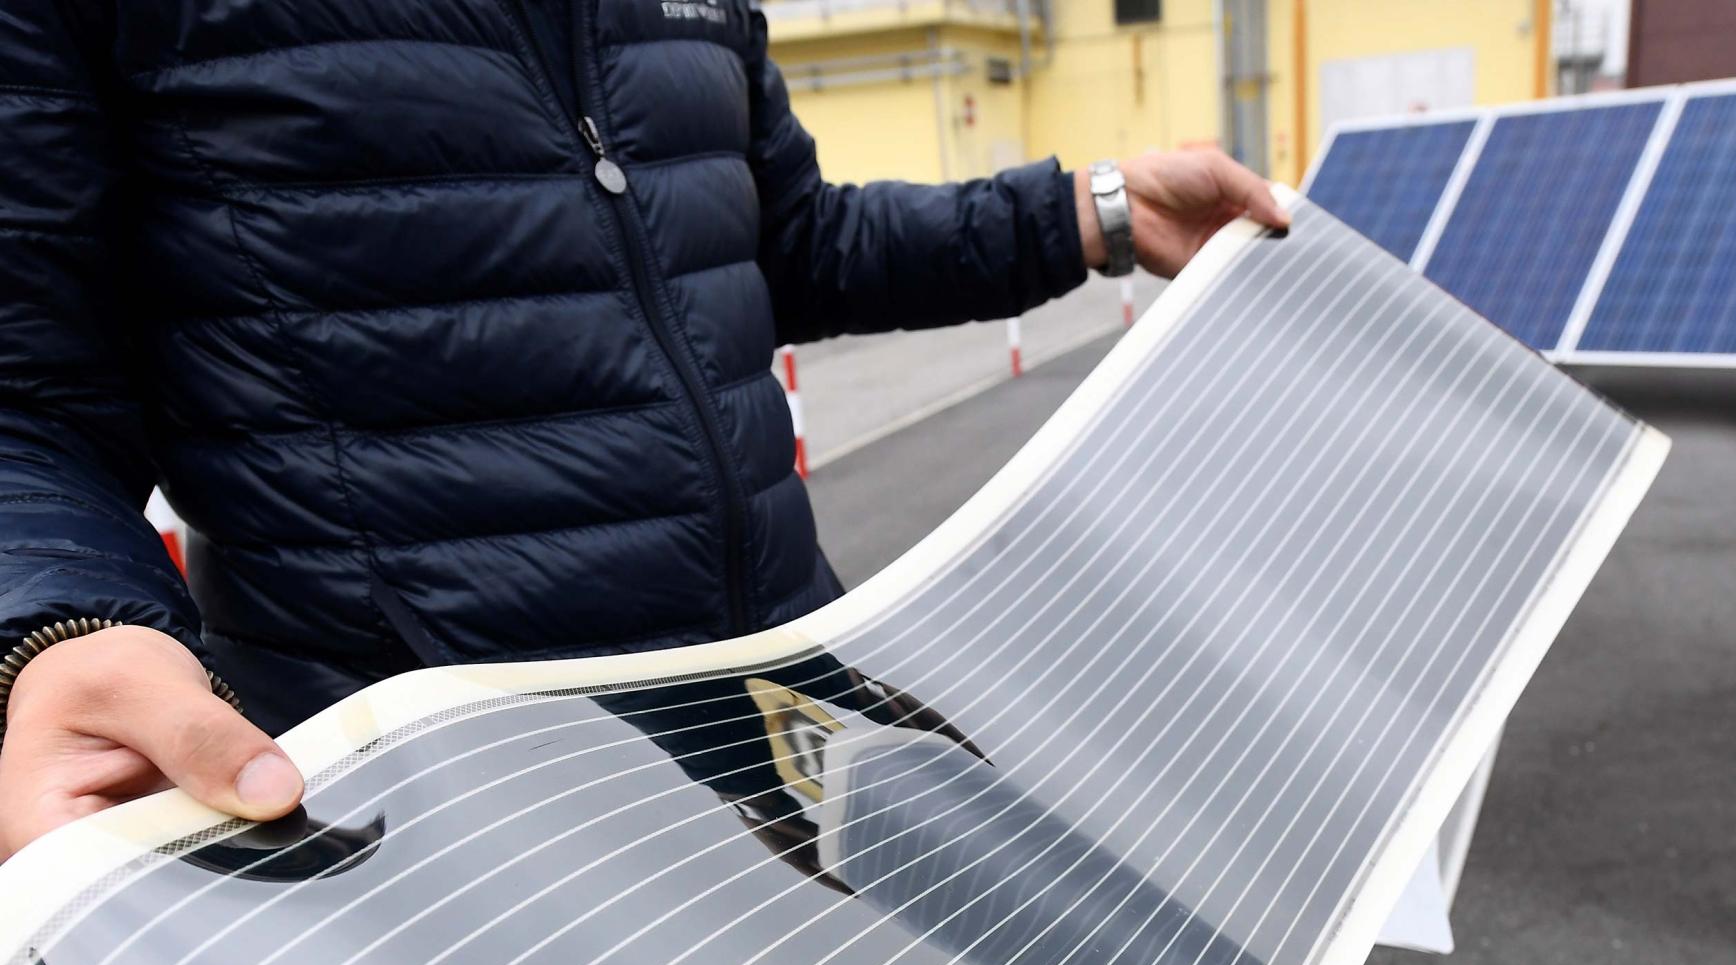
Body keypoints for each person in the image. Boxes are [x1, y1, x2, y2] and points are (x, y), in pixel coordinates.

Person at [0, 0, 1289, 862]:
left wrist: (1096, 210)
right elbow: (25, 398)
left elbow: (794, 244)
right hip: (437, 810)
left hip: (779, 714)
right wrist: (65, 632)